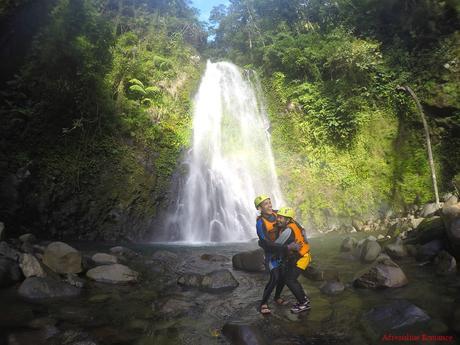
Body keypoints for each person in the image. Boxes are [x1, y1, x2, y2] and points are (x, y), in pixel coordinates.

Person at [254, 195, 298, 315]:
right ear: (259, 208)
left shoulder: (277, 214)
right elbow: (266, 243)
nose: (269, 205)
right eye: (266, 204)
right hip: (271, 253)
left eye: (270, 202)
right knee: (274, 278)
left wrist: (300, 231)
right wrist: (286, 247)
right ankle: (263, 303)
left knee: (283, 276)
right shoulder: (260, 223)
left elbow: (291, 221)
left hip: (283, 251)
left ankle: (277, 297)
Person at [276, 206, 312, 313]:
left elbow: (277, 244)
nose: (278, 219)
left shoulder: (288, 230)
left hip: (301, 258)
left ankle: (303, 303)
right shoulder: (295, 224)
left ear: (288, 220)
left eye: (281, 218)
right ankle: (304, 299)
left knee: (290, 280)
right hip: (301, 256)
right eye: (278, 217)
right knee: (291, 279)